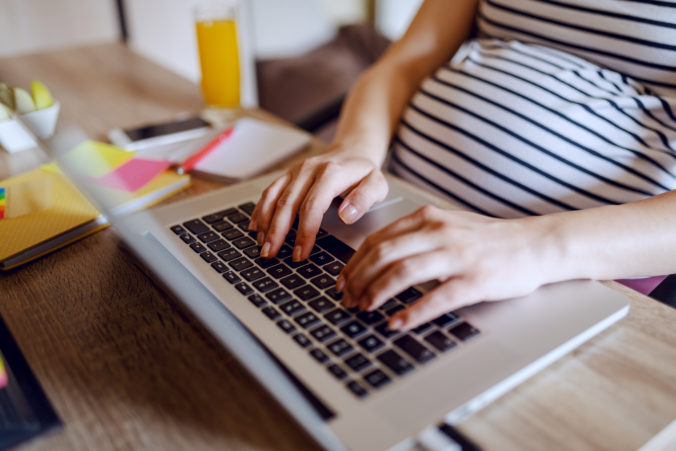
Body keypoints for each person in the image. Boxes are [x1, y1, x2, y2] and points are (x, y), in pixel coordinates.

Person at [249, 0, 676, 332]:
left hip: (563, 268)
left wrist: (534, 245)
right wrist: (355, 147)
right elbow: (405, 61)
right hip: (388, 211)